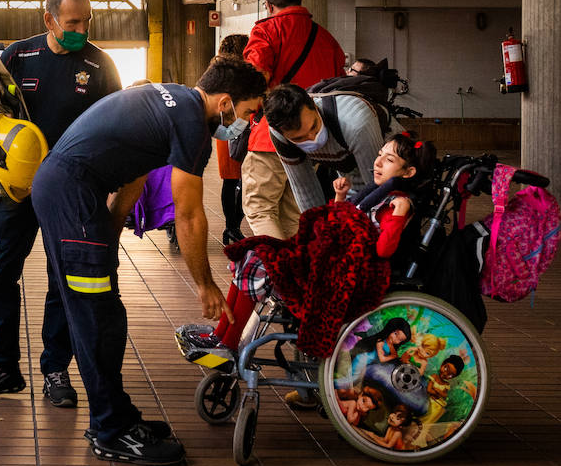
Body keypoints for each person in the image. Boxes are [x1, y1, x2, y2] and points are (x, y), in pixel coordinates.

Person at [31, 57, 268, 465]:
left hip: (68, 192)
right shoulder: (192, 123)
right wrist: (204, 284)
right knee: (97, 318)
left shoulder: (173, 99)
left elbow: (135, 175)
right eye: (248, 113)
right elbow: (189, 213)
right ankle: (110, 431)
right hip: (71, 195)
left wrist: (108, 237)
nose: (247, 122)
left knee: (106, 314)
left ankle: (116, 417)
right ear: (226, 103)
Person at [0, 0, 122, 411]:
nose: (81, 30)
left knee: (62, 282)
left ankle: (56, 370)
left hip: (71, 195)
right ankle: (2, 367)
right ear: (48, 19)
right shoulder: (16, 56)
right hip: (15, 192)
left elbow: (113, 131)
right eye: (73, 23)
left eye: (87, 21)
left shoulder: (100, 65)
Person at [178, 131, 436, 368]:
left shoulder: (398, 203)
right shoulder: (378, 194)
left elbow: (382, 250)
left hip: (347, 277)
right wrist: (340, 200)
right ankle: (222, 336)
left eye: (388, 159)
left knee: (260, 261)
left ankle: (227, 343)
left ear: (409, 172)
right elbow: (344, 225)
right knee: (253, 253)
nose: (378, 163)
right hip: (331, 263)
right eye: (379, 155)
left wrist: (399, 217)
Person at [240, 0, 345, 240]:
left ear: (268, 4)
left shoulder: (266, 31)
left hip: (271, 137)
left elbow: (256, 78)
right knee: (294, 215)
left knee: (259, 208)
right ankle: (297, 271)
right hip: (311, 140)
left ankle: (277, 272)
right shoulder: (327, 40)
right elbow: (338, 89)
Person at [264, 82, 387, 214]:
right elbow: (304, 188)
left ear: (315, 105)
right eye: (299, 138)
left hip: (390, 170)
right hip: (349, 175)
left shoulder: (355, 122)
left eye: (314, 127)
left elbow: (379, 186)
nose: (312, 138)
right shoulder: (280, 135)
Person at [216, 33, 249, 244]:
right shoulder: (240, 73)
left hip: (224, 130)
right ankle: (233, 226)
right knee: (242, 180)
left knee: (230, 181)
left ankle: (231, 227)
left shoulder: (217, 71)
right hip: (240, 128)